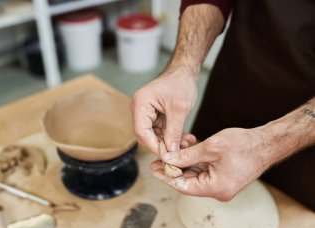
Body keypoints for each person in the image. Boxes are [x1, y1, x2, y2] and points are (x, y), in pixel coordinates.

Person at [131, 0, 315, 210]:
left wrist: (268, 144)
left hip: (308, 147)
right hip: (238, 81)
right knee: (202, 203)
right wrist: (183, 66)